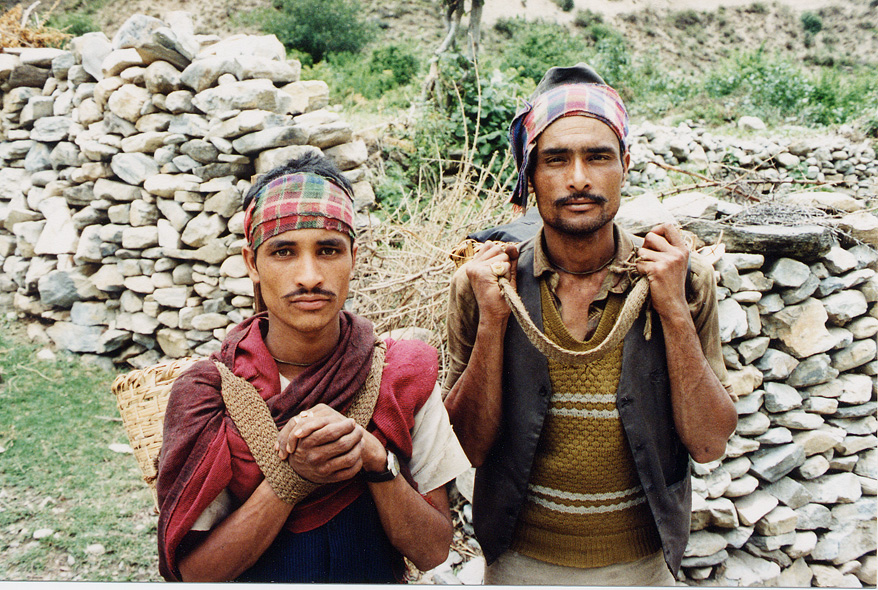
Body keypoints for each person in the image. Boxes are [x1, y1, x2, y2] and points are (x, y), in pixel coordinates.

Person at [443, 63, 738, 585]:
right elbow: (465, 447)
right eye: (556, 159)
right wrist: (493, 323)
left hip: (642, 569)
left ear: (625, 165)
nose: (578, 178)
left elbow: (710, 443)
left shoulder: (682, 279)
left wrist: (670, 308)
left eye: (598, 156)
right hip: (517, 566)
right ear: (529, 176)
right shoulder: (487, 283)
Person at [156, 152, 470, 583]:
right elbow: (197, 574)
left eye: (328, 250)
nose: (309, 276)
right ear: (252, 263)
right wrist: (290, 480)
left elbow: (433, 550)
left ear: (353, 258)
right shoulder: (209, 395)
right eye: (284, 251)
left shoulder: (403, 374)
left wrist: (378, 462)